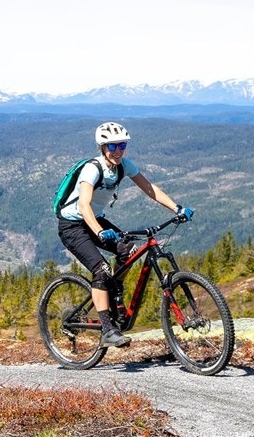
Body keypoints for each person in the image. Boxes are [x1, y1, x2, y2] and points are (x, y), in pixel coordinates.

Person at [55, 121, 188, 348]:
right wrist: (99, 231)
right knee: (102, 270)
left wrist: (177, 208)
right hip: (73, 224)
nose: (118, 151)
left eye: (122, 145)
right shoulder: (92, 169)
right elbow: (84, 206)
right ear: (102, 148)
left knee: (128, 251)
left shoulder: (124, 166)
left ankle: (114, 289)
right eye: (112, 146)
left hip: (95, 220)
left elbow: (150, 188)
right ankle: (107, 330)